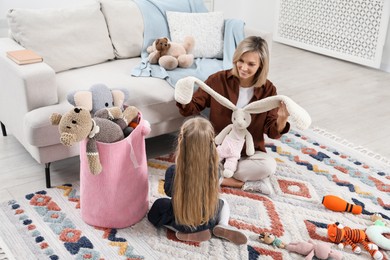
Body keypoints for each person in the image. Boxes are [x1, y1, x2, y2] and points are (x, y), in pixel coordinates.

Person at [176, 36, 290, 195]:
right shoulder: (218, 80)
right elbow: (192, 108)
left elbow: (271, 131)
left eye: (251, 64)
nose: (243, 67)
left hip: (247, 154)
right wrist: (183, 96)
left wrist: (281, 120)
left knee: (268, 166)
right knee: (188, 161)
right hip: (218, 150)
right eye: (241, 61)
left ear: (261, 66)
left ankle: (215, 177)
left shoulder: (268, 90)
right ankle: (238, 182)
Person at [147, 117, 247, 244]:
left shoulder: (173, 171)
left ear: (181, 142)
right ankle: (222, 224)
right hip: (208, 220)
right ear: (211, 144)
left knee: (158, 207)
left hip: (180, 221)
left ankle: (186, 233)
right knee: (223, 203)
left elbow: (169, 192)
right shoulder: (214, 171)